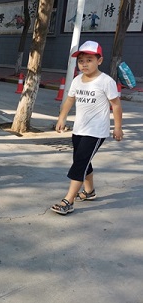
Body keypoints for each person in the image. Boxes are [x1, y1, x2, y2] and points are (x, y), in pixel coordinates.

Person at [51, 40, 123, 215]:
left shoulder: (106, 81)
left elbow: (116, 105)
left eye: (89, 60)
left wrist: (118, 127)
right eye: (81, 60)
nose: (84, 64)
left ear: (99, 61)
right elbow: (69, 99)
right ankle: (89, 191)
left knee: (80, 162)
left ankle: (69, 200)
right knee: (83, 160)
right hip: (79, 129)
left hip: (96, 131)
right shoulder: (77, 80)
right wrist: (62, 117)